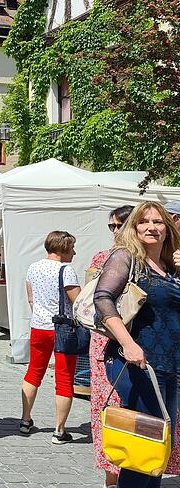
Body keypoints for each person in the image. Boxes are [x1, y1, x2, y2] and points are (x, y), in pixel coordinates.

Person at [95, 201, 180, 488]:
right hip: (137, 363)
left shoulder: (171, 267)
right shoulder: (127, 258)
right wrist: (128, 343)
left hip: (170, 365)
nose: (151, 227)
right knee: (141, 449)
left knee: (158, 449)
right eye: (144, 222)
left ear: (168, 230)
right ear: (134, 227)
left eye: (157, 222)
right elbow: (102, 299)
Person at [88, 206, 138, 487]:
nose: (116, 231)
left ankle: (140, 468)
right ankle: (112, 477)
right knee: (109, 407)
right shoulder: (103, 257)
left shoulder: (153, 259)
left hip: (140, 338)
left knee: (138, 410)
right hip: (105, 340)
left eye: (121, 225)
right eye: (112, 226)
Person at [19, 231, 81, 444]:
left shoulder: (33, 267)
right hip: (62, 328)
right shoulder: (67, 270)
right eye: (72, 248)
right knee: (64, 378)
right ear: (63, 249)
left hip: (38, 327)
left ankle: (25, 420)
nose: (74, 252)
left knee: (33, 372)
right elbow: (78, 302)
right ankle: (59, 430)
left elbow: (30, 298)